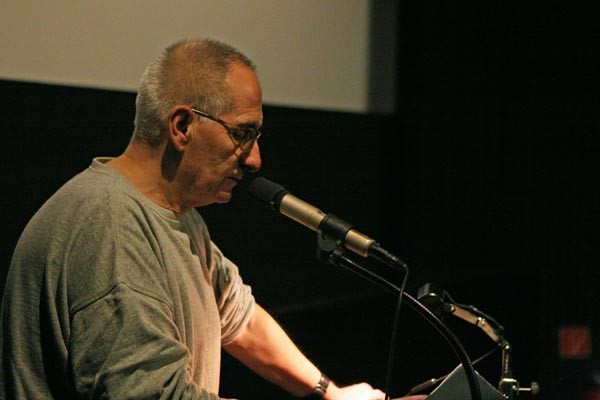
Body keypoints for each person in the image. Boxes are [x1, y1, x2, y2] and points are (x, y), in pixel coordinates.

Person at [0, 37, 427, 400]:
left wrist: (329, 393)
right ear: (182, 126)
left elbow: (241, 318)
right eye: (243, 134)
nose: (255, 160)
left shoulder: (180, 218)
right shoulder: (109, 227)